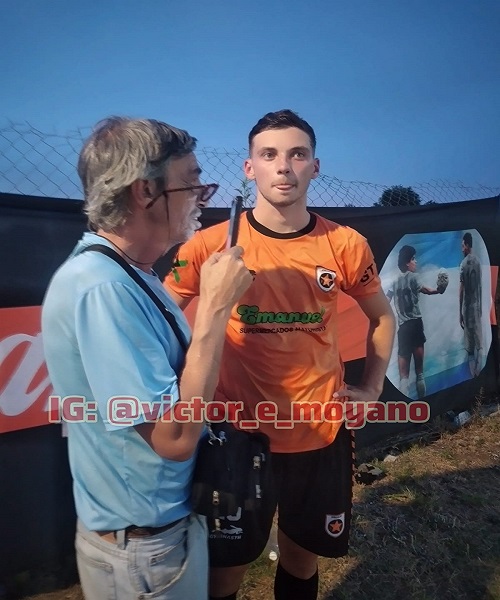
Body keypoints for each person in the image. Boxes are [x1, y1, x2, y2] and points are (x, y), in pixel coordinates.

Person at [164, 109, 395, 600]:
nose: (284, 166)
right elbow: (161, 317)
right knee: (226, 573)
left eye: (297, 154)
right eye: (269, 155)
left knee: (301, 558)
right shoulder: (210, 245)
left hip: (318, 434)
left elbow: (383, 318)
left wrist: (372, 387)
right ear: (250, 168)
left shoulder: (345, 244)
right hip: (236, 437)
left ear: (315, 166)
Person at [41, 116, 253, 600]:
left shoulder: (131, 273)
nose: (203, 197)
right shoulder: (103, 288)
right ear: (145, 192)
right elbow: (173, 438)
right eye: (192, 183)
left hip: (157, 535)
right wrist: (215, 307)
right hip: (142, 554)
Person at [386, 245, 443, 399]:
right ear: (407, 262)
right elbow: (428, 291)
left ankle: (405, 407)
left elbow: (386, 301)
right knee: (420, 372)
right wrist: (440, 290)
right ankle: (423, 403)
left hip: (403, 328)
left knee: (403, 377)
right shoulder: (414, 277)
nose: (415, 262)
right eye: (413, 259)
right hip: (416, 325)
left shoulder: (393, 280)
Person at [459, 232, 483, 376]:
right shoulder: (478, 262)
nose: (462, 249)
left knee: (470, 348)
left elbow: (461, 291)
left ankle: (473, 375)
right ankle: (478, 372)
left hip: (468, 309)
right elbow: (480, 286)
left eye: (463, 246)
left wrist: (459, 313)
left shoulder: (463, 264)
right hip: (477, 307)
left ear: (467, 245)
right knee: (479, 344)